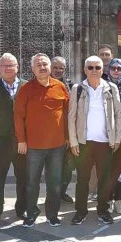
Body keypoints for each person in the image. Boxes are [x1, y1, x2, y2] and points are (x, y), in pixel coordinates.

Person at [14, 52, 70, 227]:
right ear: (32, 69)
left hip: (57, 146)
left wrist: (68, 137)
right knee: (31, 183)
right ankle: (31, 213)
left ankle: (52, 214)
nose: (43, 67)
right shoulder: (26, 89)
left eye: (45, 64)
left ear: (50, 67)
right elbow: (18, 116)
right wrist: (21, 140)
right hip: (34, 146)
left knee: (54, 184)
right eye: (38, 65)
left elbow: (68, 114)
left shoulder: (60, 87)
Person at [67, 55, 121, 224]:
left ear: (102, 70)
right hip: (84, 143)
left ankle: (103, 210)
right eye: (90, 67)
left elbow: (118, 114)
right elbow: (71, 117)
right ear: (85, 70)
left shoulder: (111, 88)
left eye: (97, 67)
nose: (94, 71)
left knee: (104, 179)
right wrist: (73, 141)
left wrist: (117, 137)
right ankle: (81, 211)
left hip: (105, 142)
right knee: (82, 179)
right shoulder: (78, 89)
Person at [0, 53, 27, 223]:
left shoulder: (26, 86)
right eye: (4, 66)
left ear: (17, 67)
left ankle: (22, 209)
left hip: (21, 141)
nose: (8, 68)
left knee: (23, 177)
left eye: (11, 65)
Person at [102, 50, 121, 215]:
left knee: (120, 169)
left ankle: (118, 200)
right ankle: (107, 199)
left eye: (119, 69)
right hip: (106, 135)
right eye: (113, 68)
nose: (116, 71)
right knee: (107, 169)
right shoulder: (102, 86)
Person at [50, 55, 77, 205]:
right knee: (52, 168)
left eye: (61, 68)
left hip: (67, 134)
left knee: (68, 167)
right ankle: (53, 195)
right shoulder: (43, 83)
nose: (58, 70)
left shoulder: (70, 85)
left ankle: (62, 192)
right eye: (55, 67)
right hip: (50, 135)